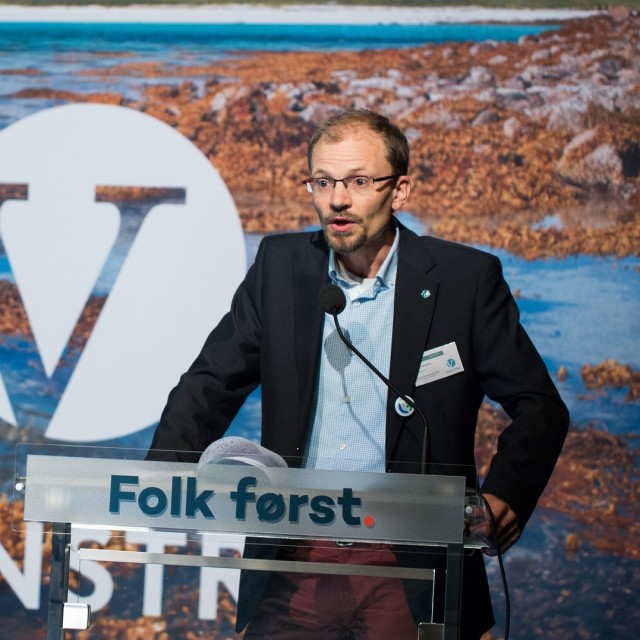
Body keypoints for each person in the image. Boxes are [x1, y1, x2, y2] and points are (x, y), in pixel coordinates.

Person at [147, 109, 569, 639]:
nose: (337, 199)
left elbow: (540, 407)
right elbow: (210, 383)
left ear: (400, 191)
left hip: (408, 562)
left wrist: (505, 494)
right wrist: (157, 480)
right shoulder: (281, 266)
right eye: (322, 182)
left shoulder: (464, 280)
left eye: (358, 182)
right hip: (295, 556)